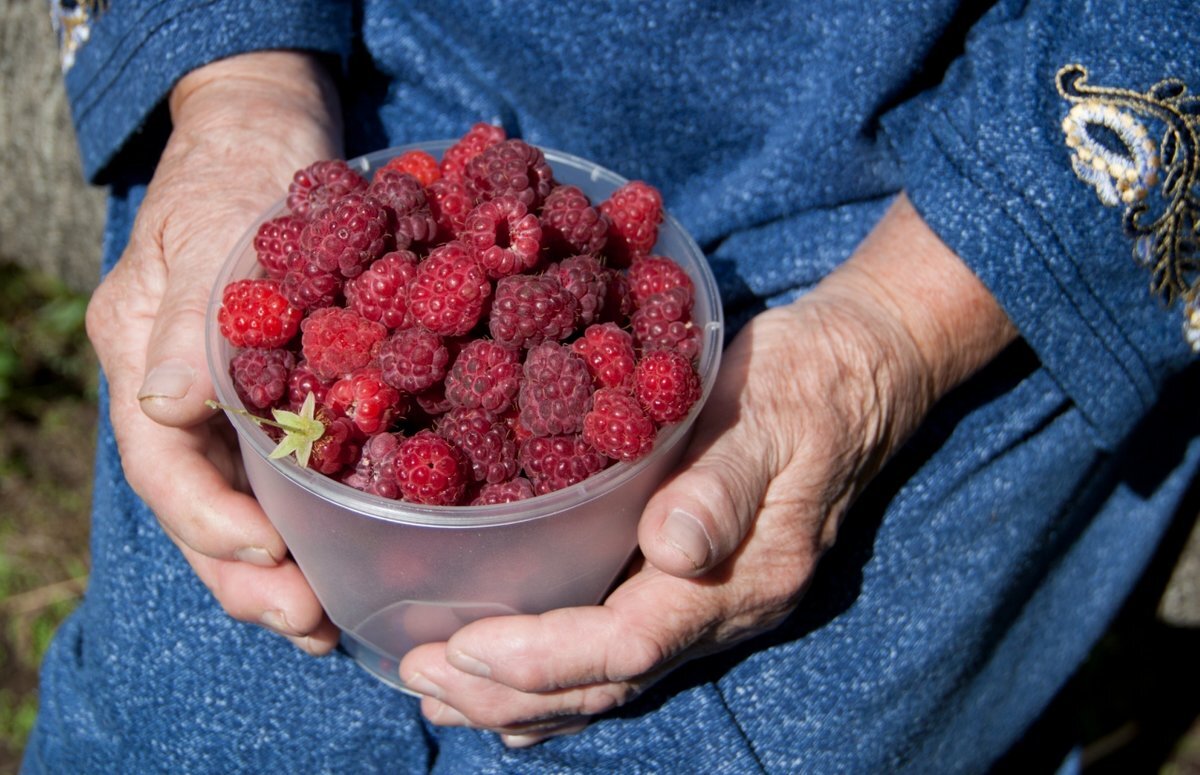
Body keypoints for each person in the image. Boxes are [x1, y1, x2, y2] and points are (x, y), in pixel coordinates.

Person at [25, 1, 1200, 771]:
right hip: (366, 127)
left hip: (925, 219)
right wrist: (237, 88)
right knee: (186, 719)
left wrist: (887, 333)